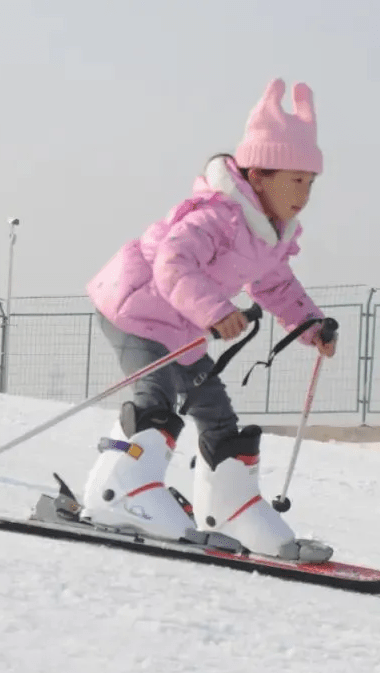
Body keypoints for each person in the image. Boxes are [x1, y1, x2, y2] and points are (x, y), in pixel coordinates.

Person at [81, 78, 336, 562]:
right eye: (294, 180)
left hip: (182, 327)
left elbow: (276, 285)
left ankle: (231, 506)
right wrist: (216, 311)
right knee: (155, 397)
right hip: (136, 308)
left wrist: (312, 325)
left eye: (310, 182)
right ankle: (119, 495)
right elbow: (172, 264)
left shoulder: (271, 235)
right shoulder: (216, 216)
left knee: (215, 412)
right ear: (259, 175)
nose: (303, 194)